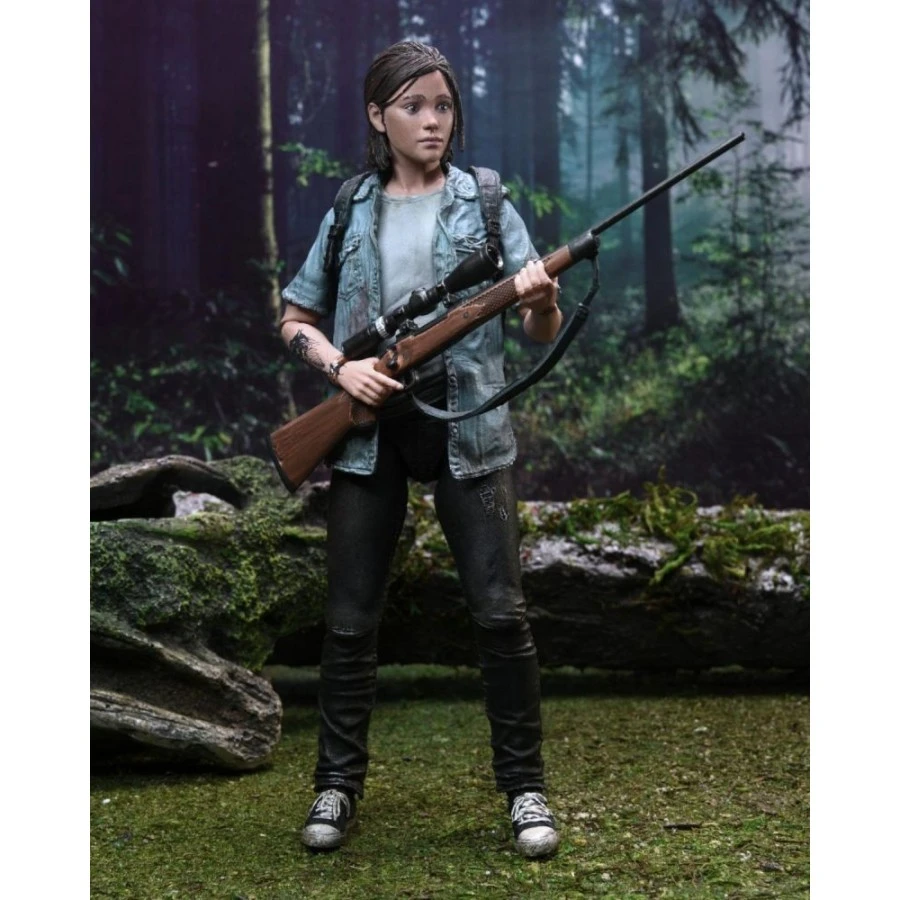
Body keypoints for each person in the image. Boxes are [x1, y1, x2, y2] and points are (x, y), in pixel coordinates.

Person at [279, 41, 565, 858]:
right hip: (368, 432)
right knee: (347, 622)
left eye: (443, 106)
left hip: (470, 428)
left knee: (502, 614)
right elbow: (295, 318)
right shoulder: (350, 208)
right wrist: (342, 369)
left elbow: (537, 327)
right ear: (379, 117)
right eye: (413, 107)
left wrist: (541, 300)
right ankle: (336, 785)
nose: (433, 121)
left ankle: (526, 790)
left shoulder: (487, 204)